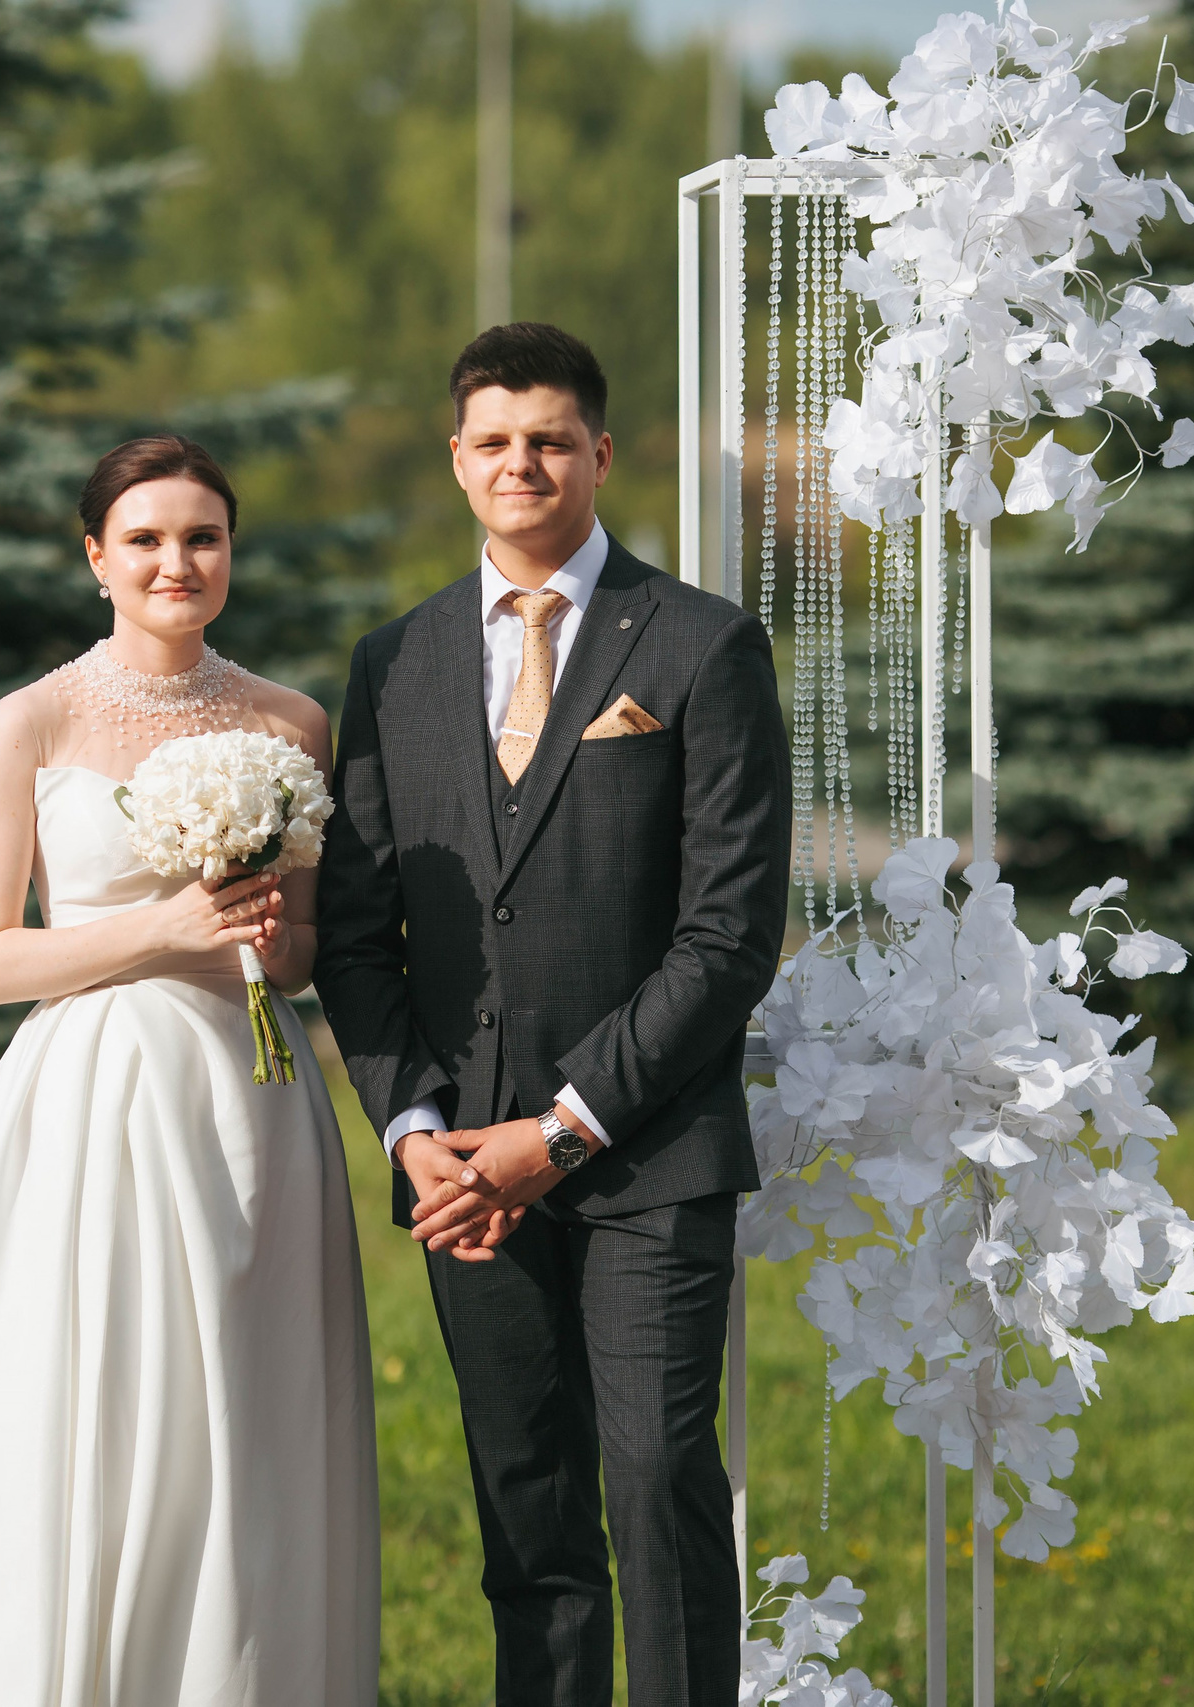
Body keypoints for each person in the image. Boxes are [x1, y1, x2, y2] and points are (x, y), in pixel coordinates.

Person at [0, 435, 380, 1705]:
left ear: (229, 551)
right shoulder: (31, 721)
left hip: (252, 1107)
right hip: (90, 1103)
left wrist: (260, 929)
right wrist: (164, 927)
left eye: (202, 537)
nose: (177, 562)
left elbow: (297, 956)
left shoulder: (289, 721)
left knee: (242, 1407)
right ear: (95, 558)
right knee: (86, 1397)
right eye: (146, 540)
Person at [316, 323, 791, 1707]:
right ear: (457, 459)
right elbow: (358, 934)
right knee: (526, 1512)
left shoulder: (701, 643)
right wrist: (416, 1133)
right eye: (493, 441)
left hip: (649, 1152)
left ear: (599, 451)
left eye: (548, 439)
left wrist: (566, 1127)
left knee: (656, 1479)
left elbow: (728, 935)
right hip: (462, 1170)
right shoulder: (392, 663)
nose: (519, 462)